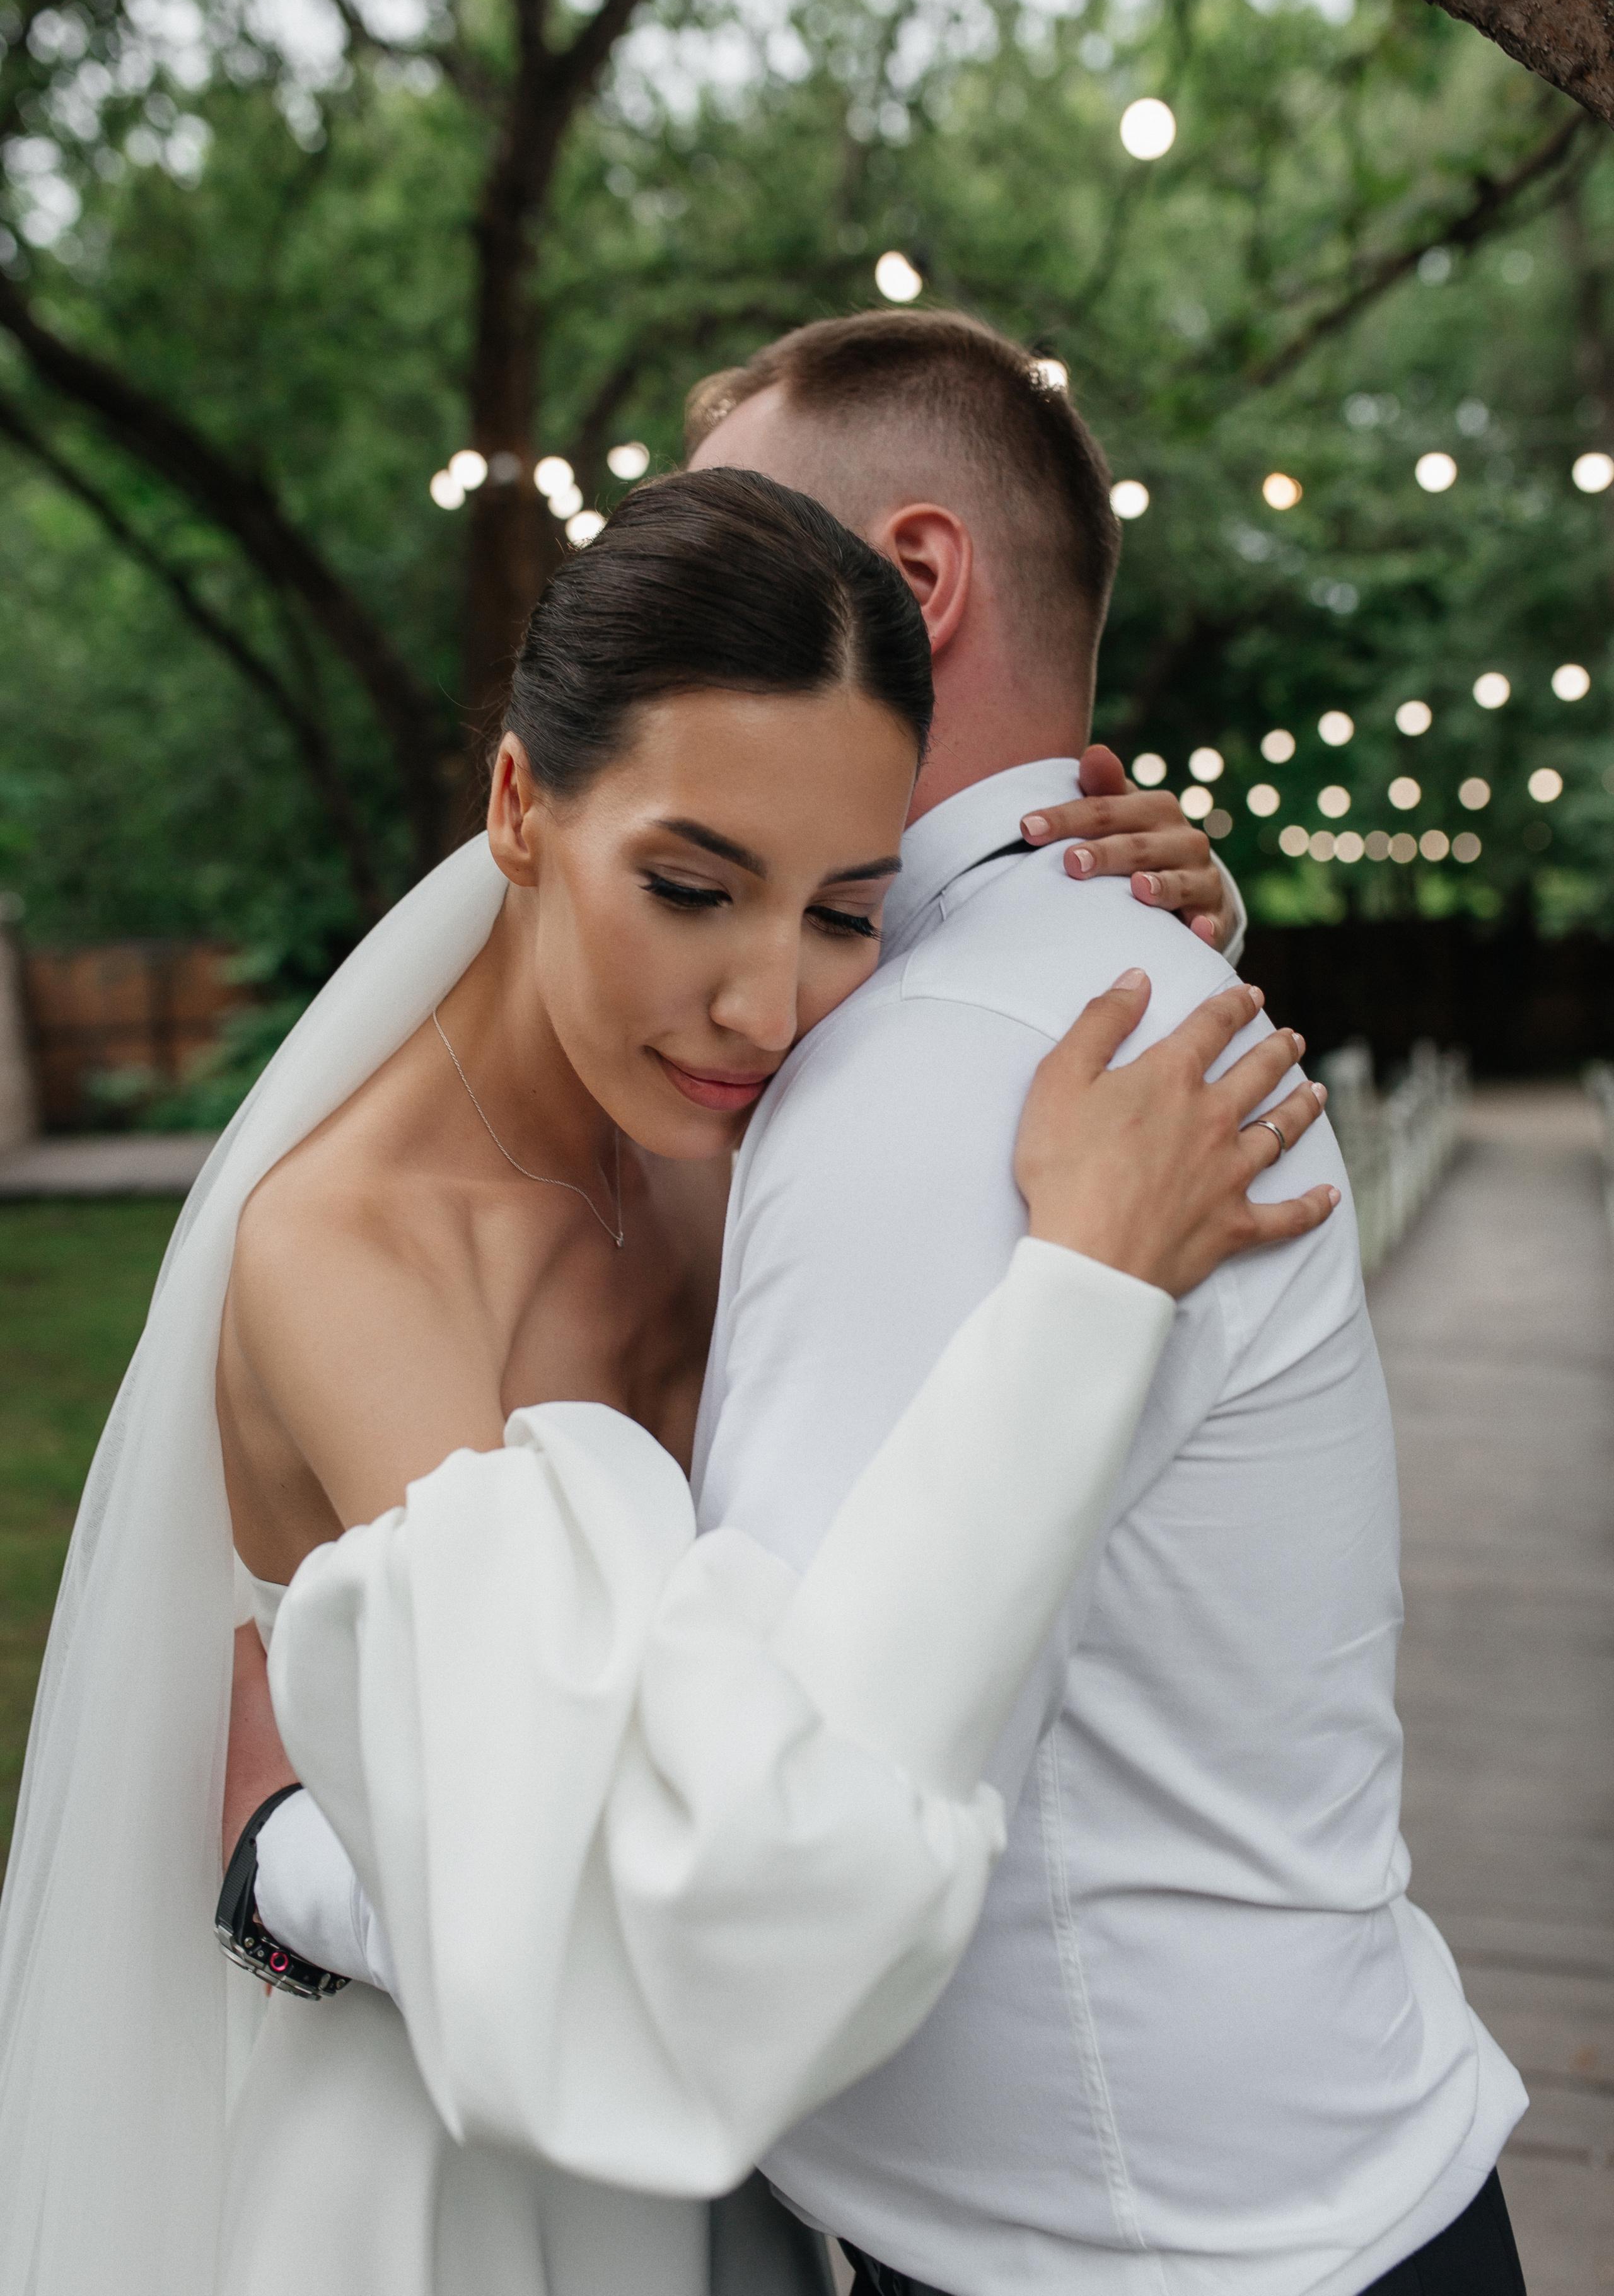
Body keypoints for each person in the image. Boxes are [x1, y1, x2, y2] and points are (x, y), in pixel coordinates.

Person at [0, 463, 1327, 2296]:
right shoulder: (355, 1259)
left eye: (848, 910)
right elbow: (636, 1945)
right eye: (692, 888)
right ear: (520, 807)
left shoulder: (742, 1124)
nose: (765, 1005)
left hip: (753, 2170)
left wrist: (1160, 902)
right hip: (449, 2169)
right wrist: (1081, 1290)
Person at [680, 311, 1531, 2295]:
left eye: (726, 545)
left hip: (1151, 2245)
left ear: (907, 583)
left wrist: (306, 1871)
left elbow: (783, 1796)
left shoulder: (946, 1064)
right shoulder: (1118, 975)